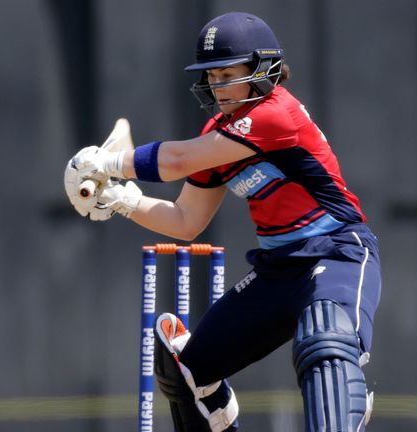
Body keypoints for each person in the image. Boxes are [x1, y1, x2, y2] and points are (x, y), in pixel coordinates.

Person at [64, 11, 381, 432]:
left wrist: (108, 162)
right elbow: (186, 219)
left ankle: (344, 410)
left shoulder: (275, 114)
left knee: (324, 338)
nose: (217, 86)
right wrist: (122, 200)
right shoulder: (219, 134)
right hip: (277, 273)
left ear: (262, 69)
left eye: (227, 74)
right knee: (187, 372)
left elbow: (177, 160)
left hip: (337, 254)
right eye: (211, 77)